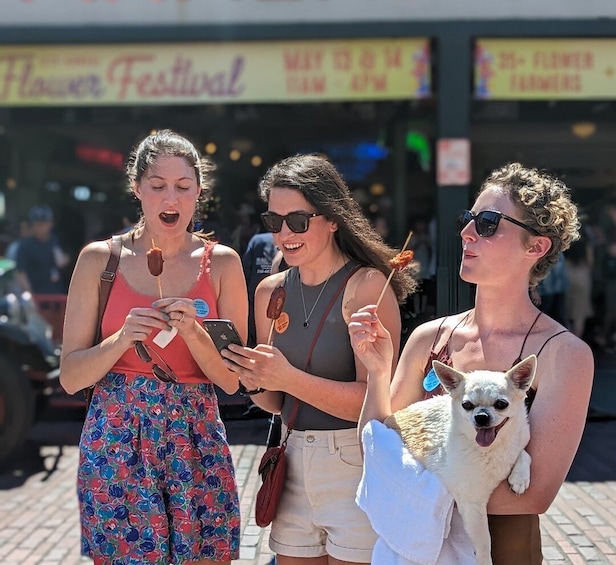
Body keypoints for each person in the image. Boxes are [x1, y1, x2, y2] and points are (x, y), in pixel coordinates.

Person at [349, 162, 594, 564]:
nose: (466, 232)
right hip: (415, 552)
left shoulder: (562, 353)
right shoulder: (431, 338)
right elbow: (375, 449)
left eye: (488, 223)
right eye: (469, 219)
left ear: (535, 247)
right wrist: (377, 371)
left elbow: (532, 493)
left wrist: (416, 482)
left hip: (502, 552)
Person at [59, 130, 247, 565]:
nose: (171, 198)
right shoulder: (98, 260)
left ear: (199, 191)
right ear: (137, 188)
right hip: (117, 437)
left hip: (194, 435)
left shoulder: (221, 263)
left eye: (183, 187)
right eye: (158, 185)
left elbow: (232, 381)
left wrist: (196, 333)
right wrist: (122, 338)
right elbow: (71, 377)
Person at [220, 154, 416, 565]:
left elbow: (377, 402)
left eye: (297, 221)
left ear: (332, 218)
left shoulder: (366, 286)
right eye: (274, 222)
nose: (283, 234)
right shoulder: (269, 291)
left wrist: (287, 378)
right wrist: (254, 379)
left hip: (354, 460)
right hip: (290, 457)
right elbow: (276, 403)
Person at [15, 205, 69, 294]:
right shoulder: (25, 245)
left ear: (51, 224)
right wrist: (30, 295)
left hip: (56, 295)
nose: (40, 227)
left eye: (43, 223)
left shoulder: (54, 241)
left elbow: (60, 262)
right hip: (38, 297)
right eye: (37, 224)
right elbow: (20, 272)